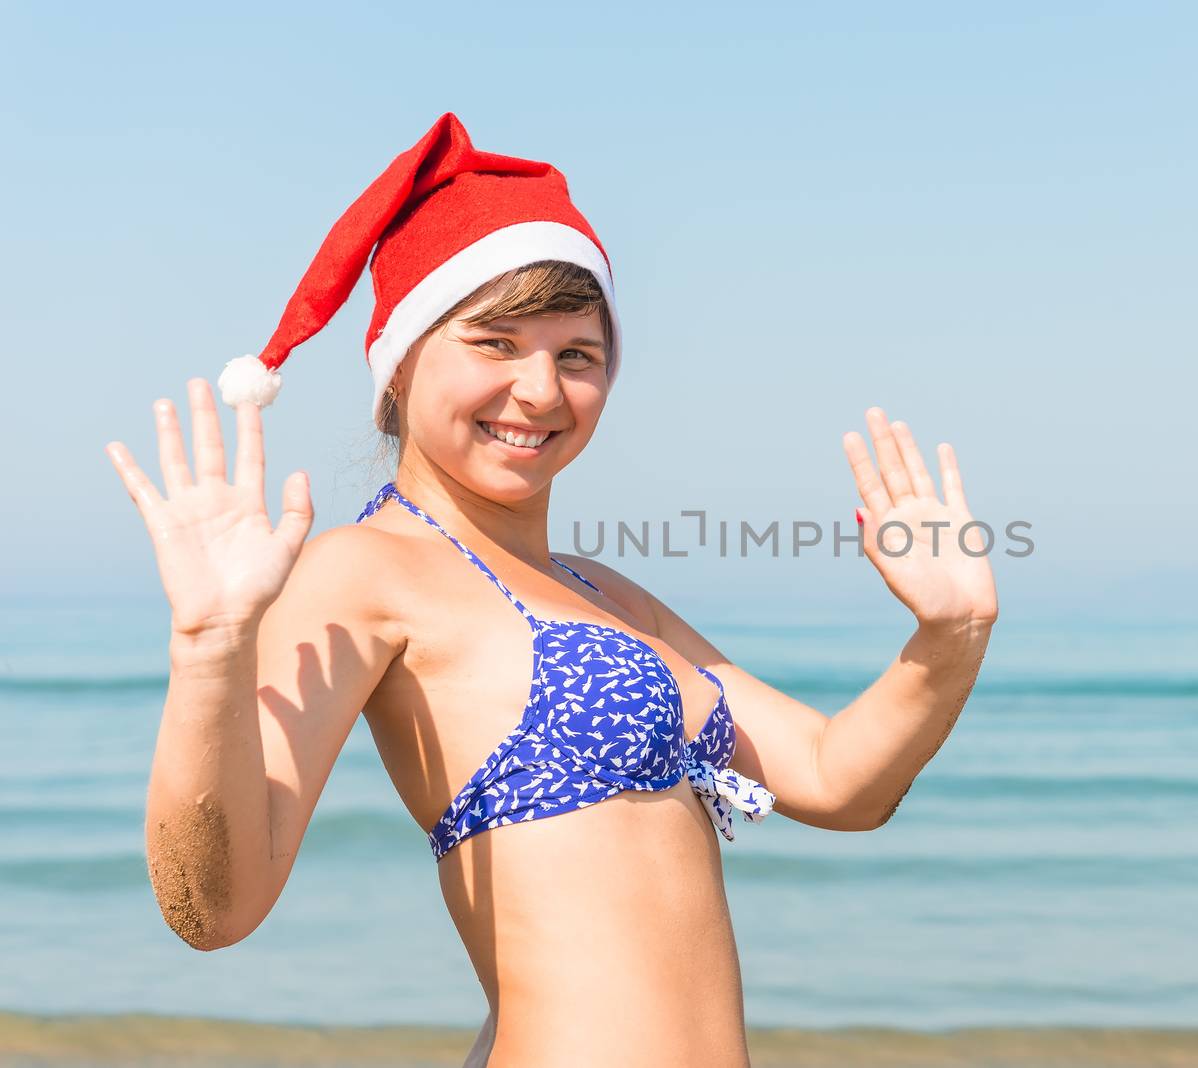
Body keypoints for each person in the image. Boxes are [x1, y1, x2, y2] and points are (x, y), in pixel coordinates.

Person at [104, 113, 998, 1067]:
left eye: (578, 354)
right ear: (399, 364)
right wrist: (208, 650)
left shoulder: (607, 593)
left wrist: (952, 632)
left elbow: (836, 780)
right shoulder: (363, 571)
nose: (541, 390)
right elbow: (213, 909)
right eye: (495, 343)